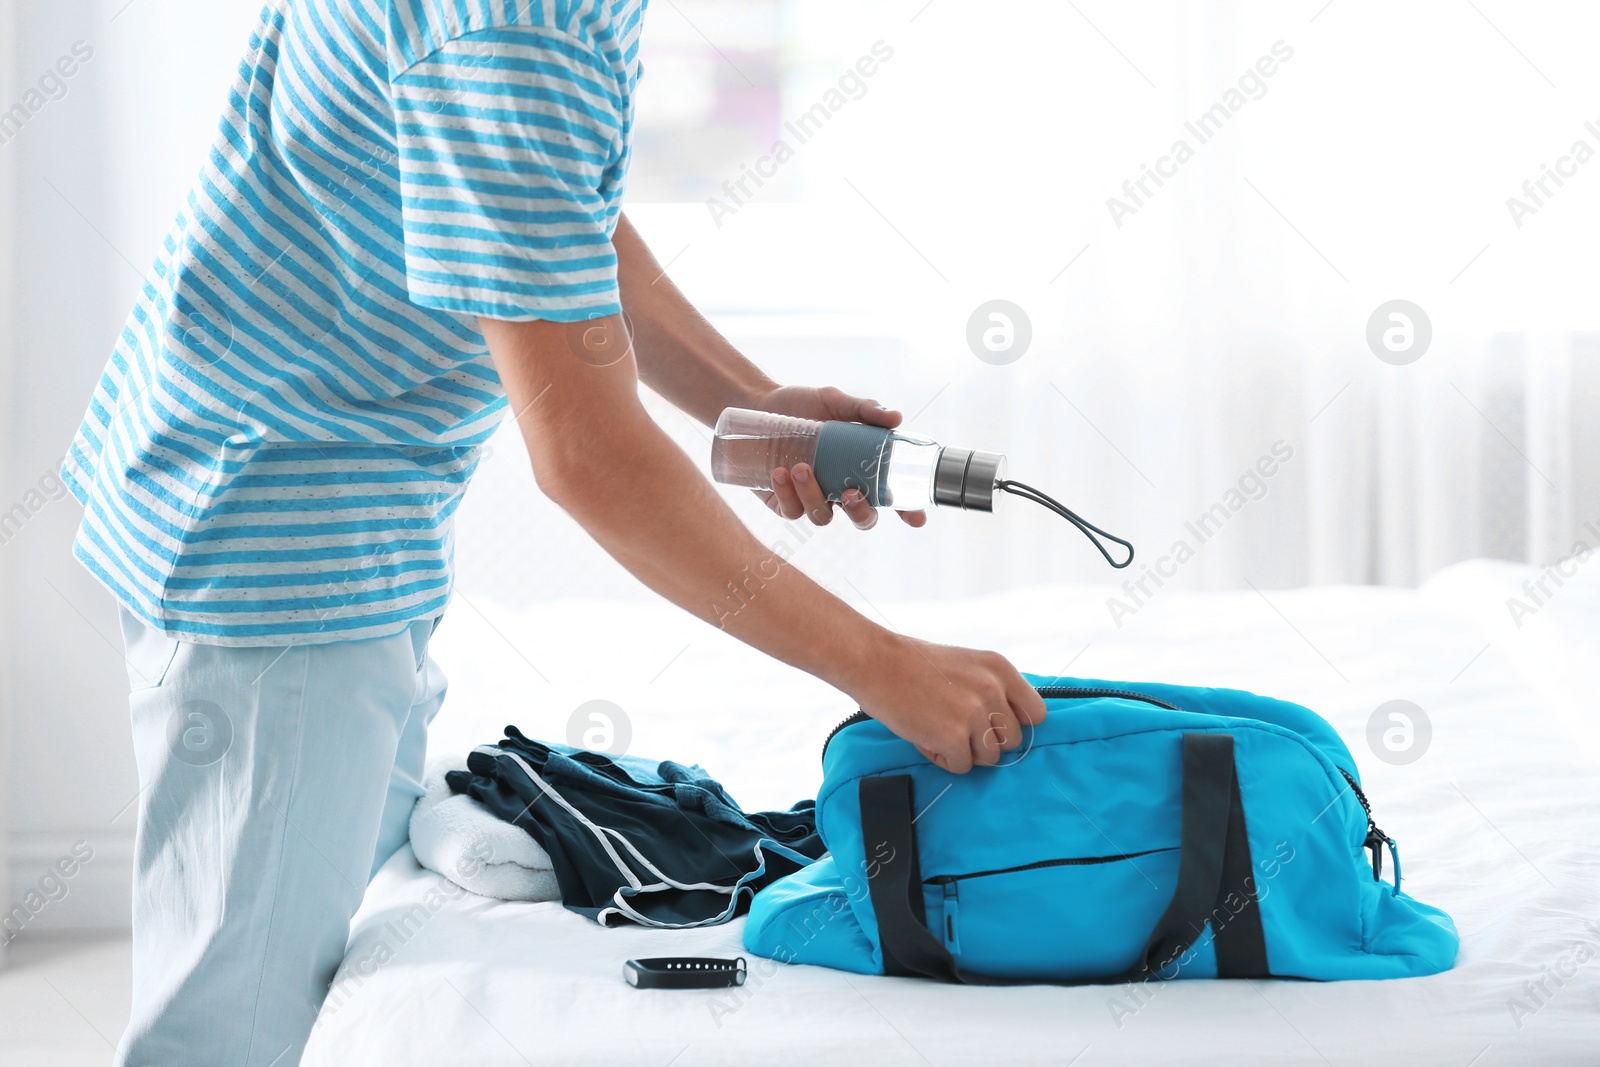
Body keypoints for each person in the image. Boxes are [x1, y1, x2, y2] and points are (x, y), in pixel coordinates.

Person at [61, 1, 1046, 1063]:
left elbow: (555, 210)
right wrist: (879, 664)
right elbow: (589, 460)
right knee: (229, 1032)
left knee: (305, 966)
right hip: (279, 544)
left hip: (286, 499)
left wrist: (748, 405)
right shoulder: (514, 30)